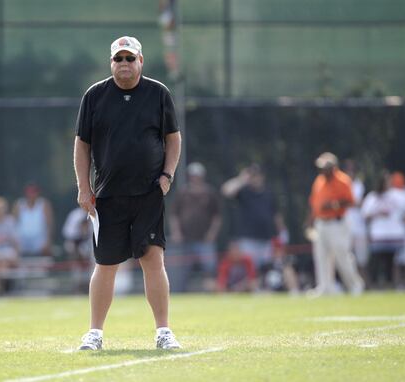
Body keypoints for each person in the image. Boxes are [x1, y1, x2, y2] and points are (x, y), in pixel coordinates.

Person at [73, 36, 182, 350]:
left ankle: (163, 332)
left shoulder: (158, 93)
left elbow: (173, 138)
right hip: (108, 195)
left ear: (141, 61)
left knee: (153, 261)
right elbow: (82, 144)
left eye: (130, 58)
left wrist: (167, 175)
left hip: (149, 193)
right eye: (118, 59)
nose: (124, 64)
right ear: (111, 63)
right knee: (106, 264)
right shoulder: (95, 95)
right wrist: (84, 187)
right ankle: (94, 333)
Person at [307, 152, 364, 296]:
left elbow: (350, 201)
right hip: (321, 223)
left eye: (326, 167)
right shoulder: (319, 181)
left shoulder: (343, 180)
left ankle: (354, 285)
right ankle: (325, 287)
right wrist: (310, 222)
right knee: (321, 256)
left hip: (337, 222)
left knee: (342, 254)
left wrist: (333, 205)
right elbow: (314, 204)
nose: (323, 171)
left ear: (333, 167)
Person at [221, 164, 282, 287]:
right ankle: (253, 290)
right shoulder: (244, 191)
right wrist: (242, 179)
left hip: (266, 239)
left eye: (257, 175)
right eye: (252, 176)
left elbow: (276, 215)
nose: (255, 178)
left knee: (267, 269)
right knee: (251, 269)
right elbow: (226, 191)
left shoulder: (269, 193)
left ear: (262, 176)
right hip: (248, 239)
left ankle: (266, 291)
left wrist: (281, 232)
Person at [168, 162, 222, 292]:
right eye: (193, 175)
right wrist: (176, 233)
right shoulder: (183, 192)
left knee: (209, 268)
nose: (195, 178)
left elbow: (217, 217)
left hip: (204, 239)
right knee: (182, 269)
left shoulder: (210, 193)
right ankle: (181, 293)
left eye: (197, 175)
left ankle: (211, 293)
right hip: (185, 239)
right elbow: (174, 215)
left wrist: (212, 234)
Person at [361, 171, 405, 289]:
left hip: (395, 234)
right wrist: (377, 213)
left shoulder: (400, 195)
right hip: (378, 235)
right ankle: (376, 284)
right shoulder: (373, 197)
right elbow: (365, 214)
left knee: (394, 262)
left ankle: (395, 284)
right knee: (378, 261)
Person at [343, 159, 369, 283]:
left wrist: (349, 203)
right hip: (345, 227)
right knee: (347, 258)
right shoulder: (342, 184)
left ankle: (364, 282)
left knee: (362, 259)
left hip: (359, 227)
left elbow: (362, 203)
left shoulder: (360, 185)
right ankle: (351, 283)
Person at [13, 183, 54, 257]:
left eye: (34, 193)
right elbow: (14, 224)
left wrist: (48, 241)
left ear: (38, 193)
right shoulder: (19, 204)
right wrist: (15, 242)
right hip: (22, 240)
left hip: (39, 240)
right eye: (29, 193)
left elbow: (49, 224)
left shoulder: (44, 204)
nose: (31, 195)